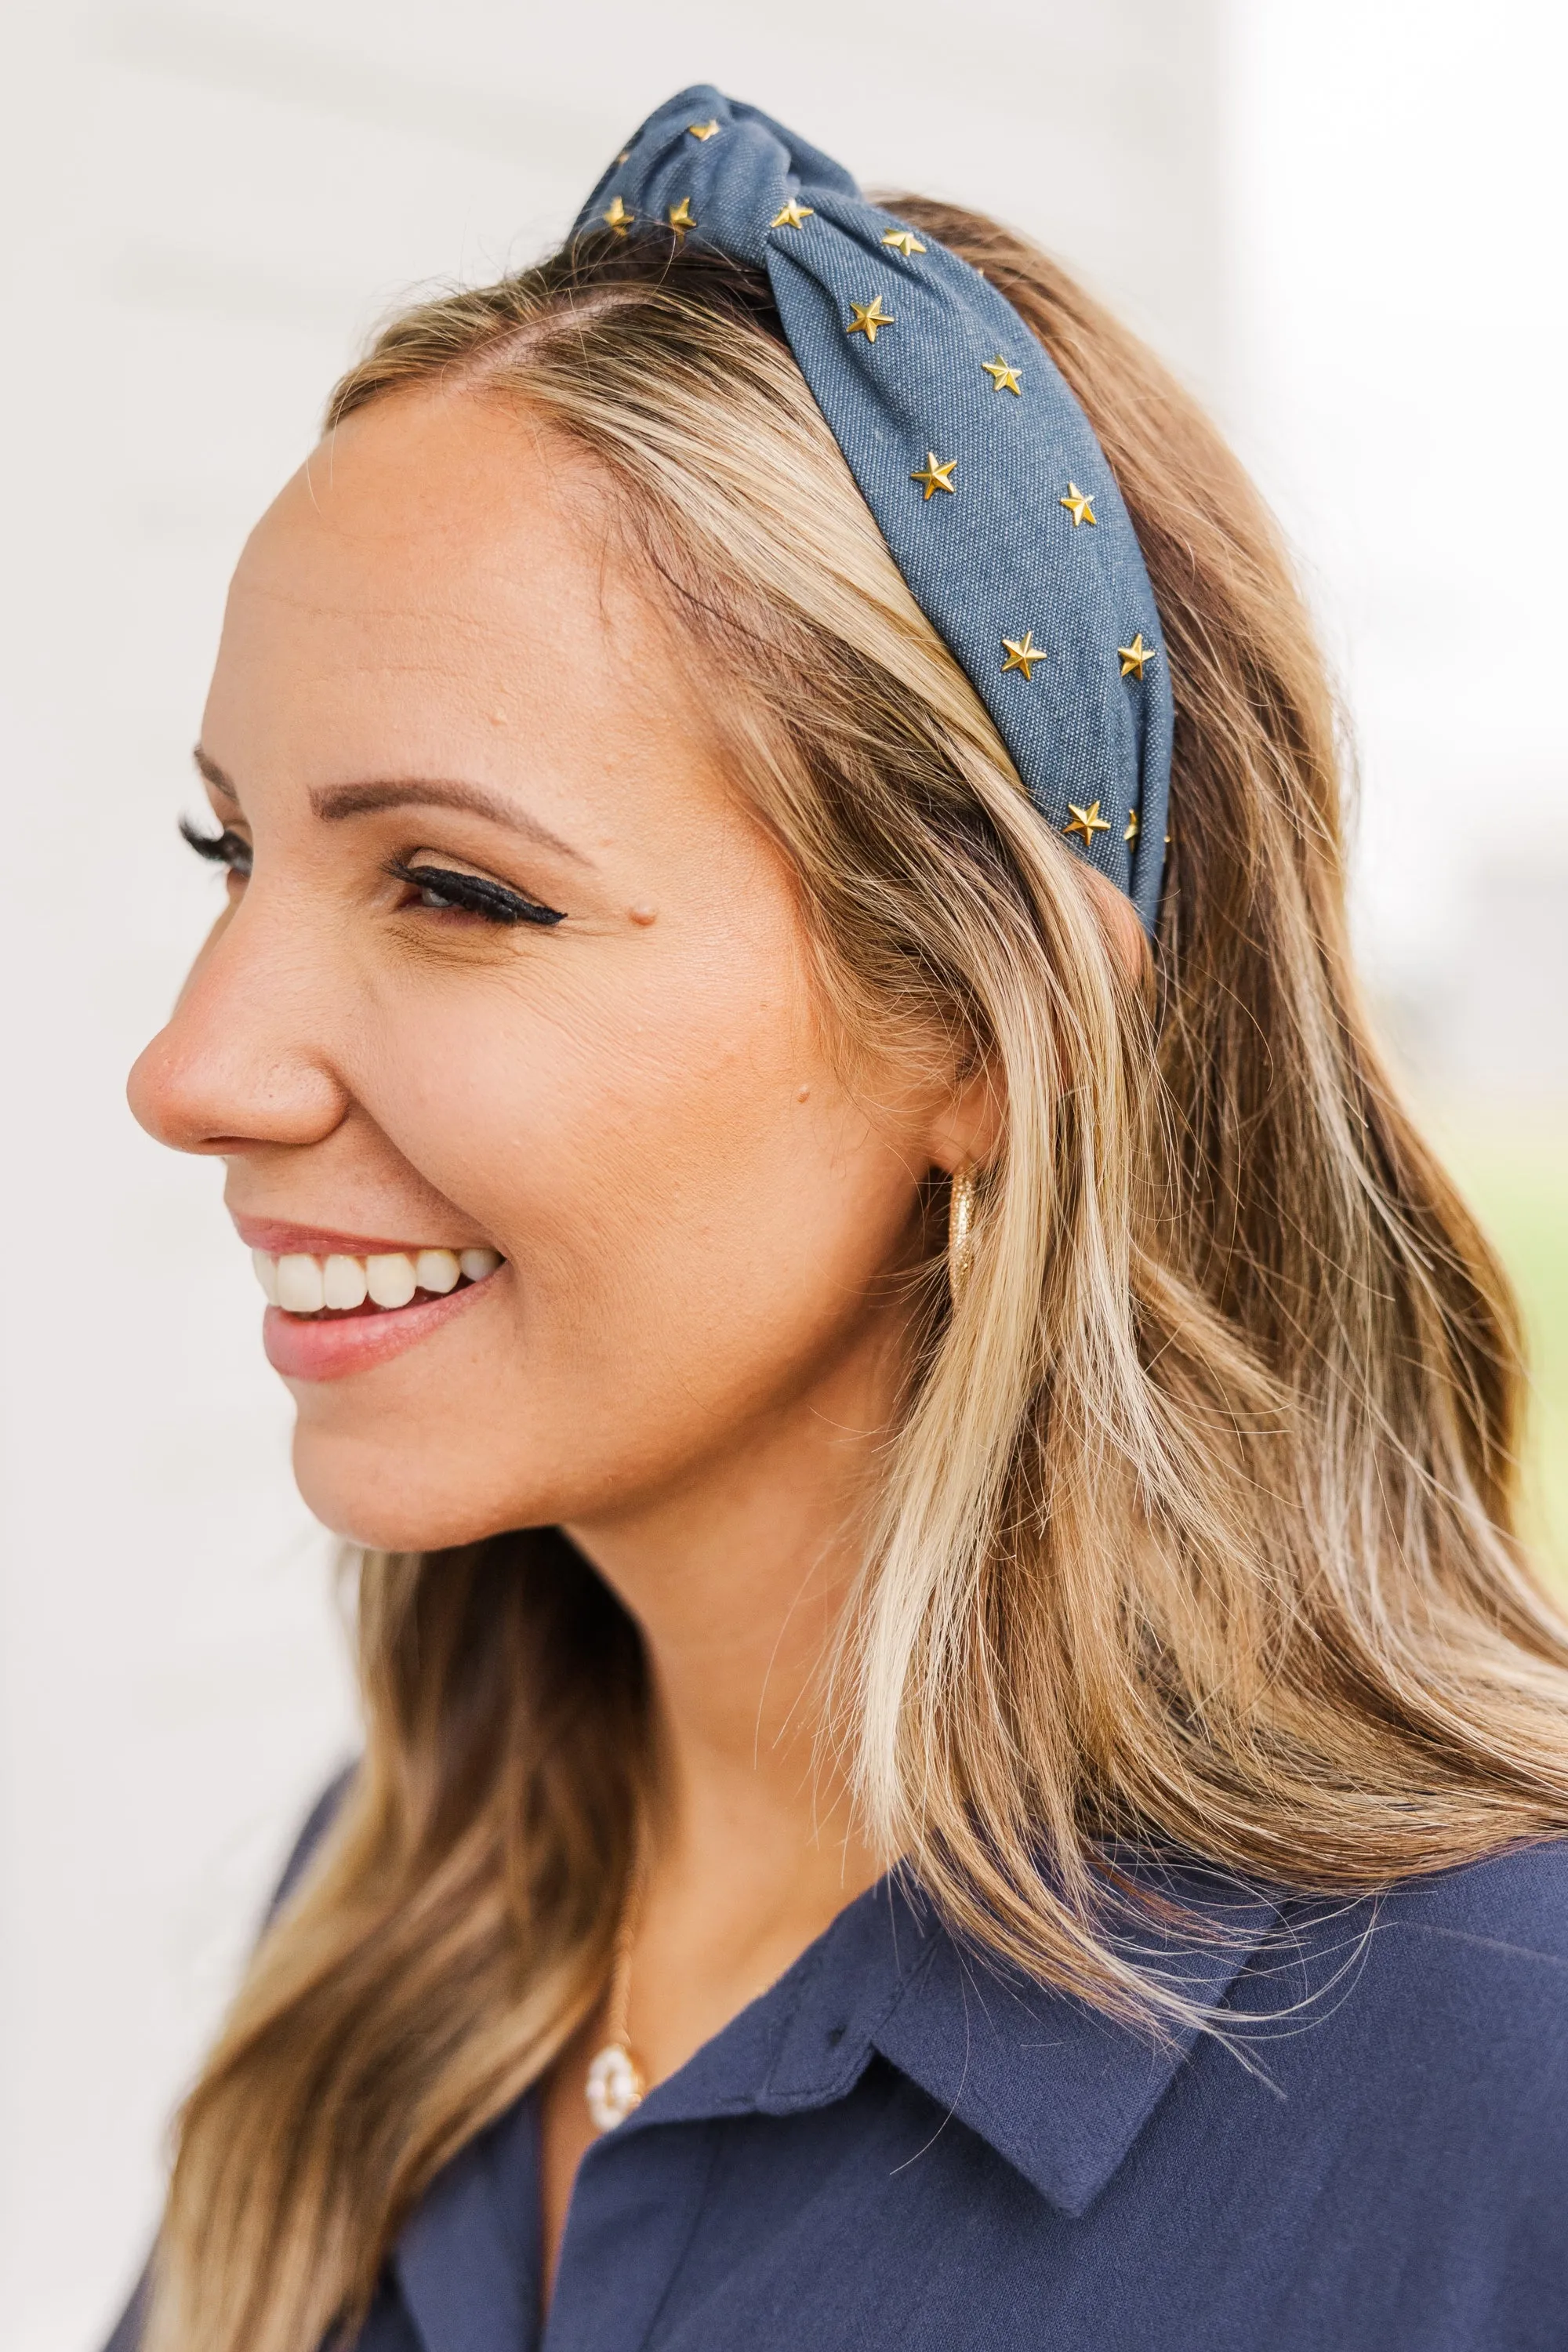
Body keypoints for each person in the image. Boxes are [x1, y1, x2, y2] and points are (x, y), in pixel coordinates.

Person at [111, 85, 1568, 2352]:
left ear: (986, 1034)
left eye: (459, 890)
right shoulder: (387, 1923)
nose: (193, 1069)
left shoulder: (1504, 2086)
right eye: (236, 857)